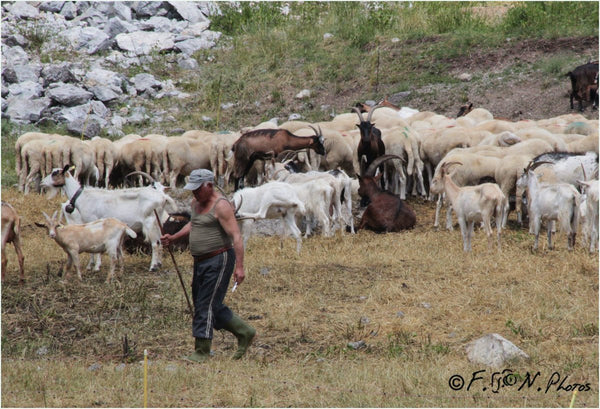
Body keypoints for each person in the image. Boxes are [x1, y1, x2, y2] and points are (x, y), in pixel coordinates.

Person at [160, 169, 255, 362]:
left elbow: (236, 236)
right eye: (192, 189)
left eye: (197, 189)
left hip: (219, 259)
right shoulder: (196, 203)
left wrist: (240, 267)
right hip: (201, 261)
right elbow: (194, 224)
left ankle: (202, 350)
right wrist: (174, 237)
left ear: (209, 186)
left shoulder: (221, 206)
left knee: (206, 304)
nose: (194, 193)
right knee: (208, 303)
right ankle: (245, 332)